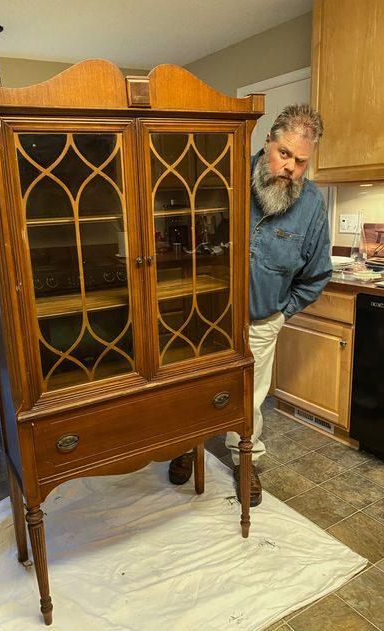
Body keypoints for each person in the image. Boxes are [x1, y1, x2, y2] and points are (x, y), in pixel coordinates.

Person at [168, 104, 333, 506]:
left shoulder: (311, 206)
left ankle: (245, 459)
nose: (290, 167)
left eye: (301, 161)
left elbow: (316, 274)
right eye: (284, 154)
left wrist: (281, 313)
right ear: (268, 143)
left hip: (261, 321)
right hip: (205, 318)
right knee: (192, 386)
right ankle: (185, 445)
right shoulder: (221, 176)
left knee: (249, 397)